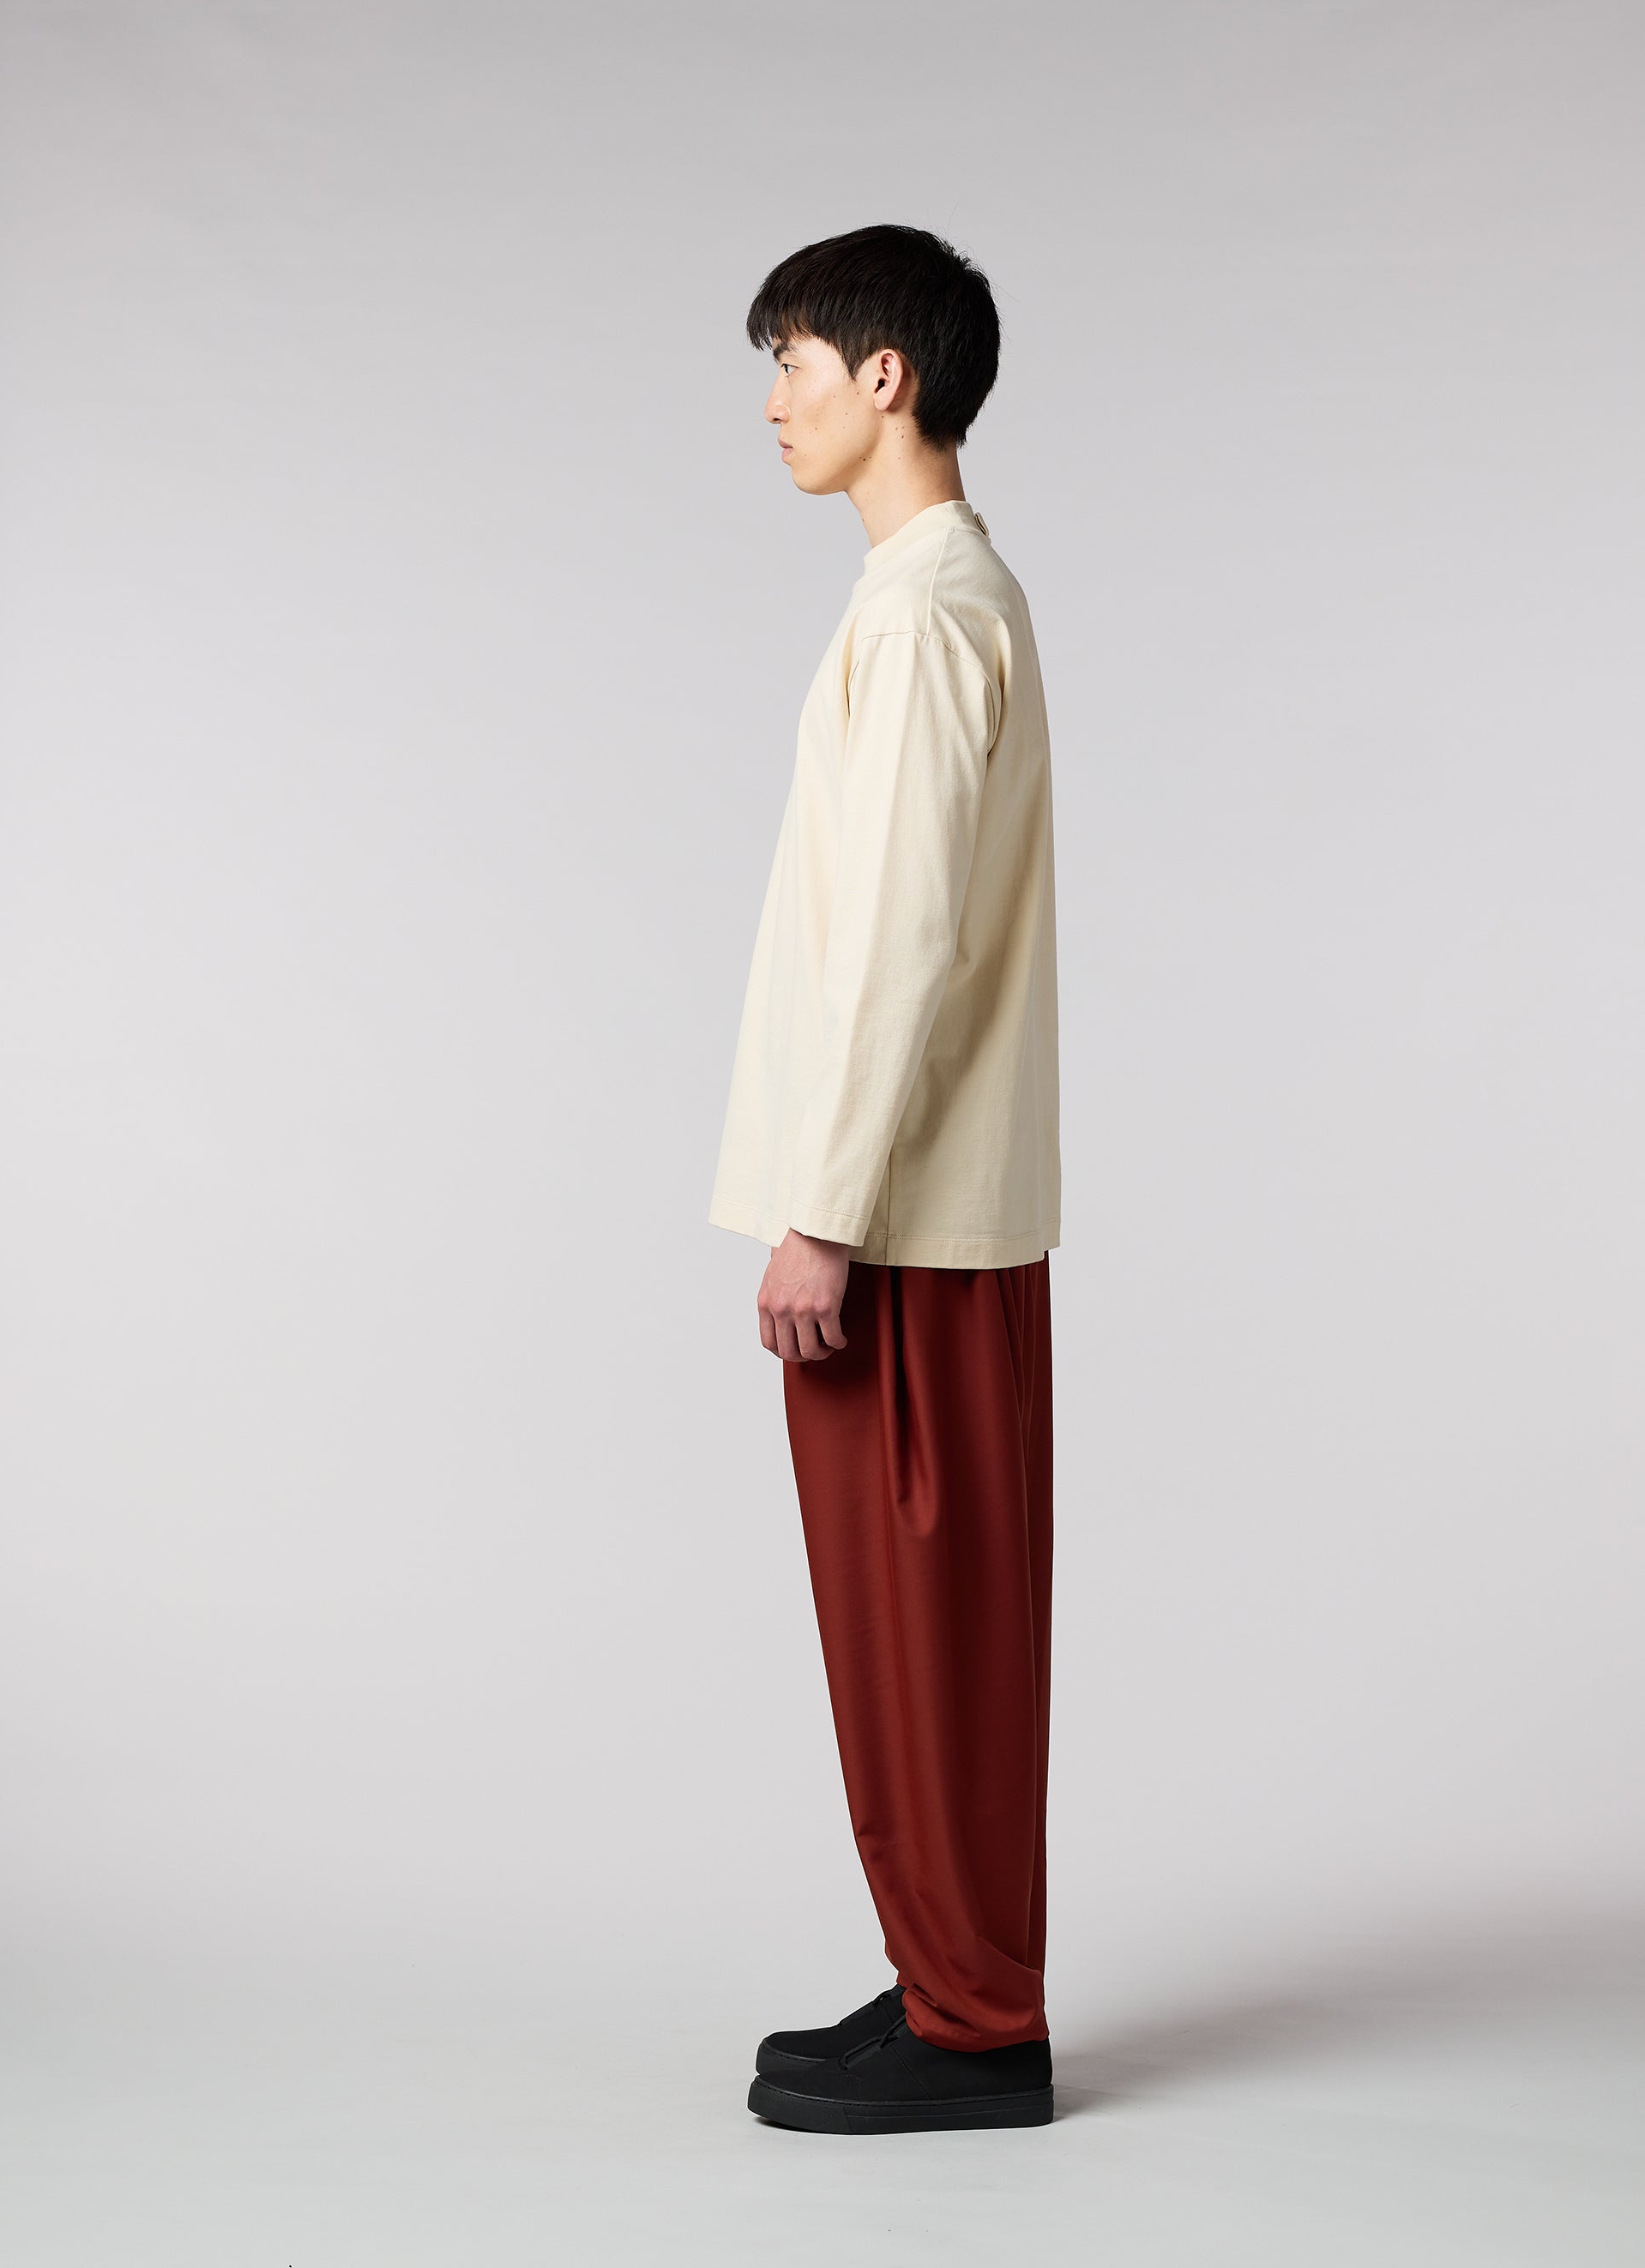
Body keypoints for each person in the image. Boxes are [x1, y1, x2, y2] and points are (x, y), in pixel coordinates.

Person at [708, 224, 1061, 2135]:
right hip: (922, 1212)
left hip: (899, 1222)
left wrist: (821, 1215)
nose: (774, 402)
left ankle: (976, 2024)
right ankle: (949, 1976)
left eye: (792, 361)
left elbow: (903, 941)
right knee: (923, 1632)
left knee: (923, 1632)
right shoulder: (936, 595)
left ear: (884, 379)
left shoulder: (925, 614)